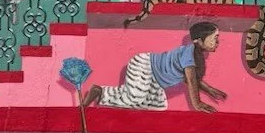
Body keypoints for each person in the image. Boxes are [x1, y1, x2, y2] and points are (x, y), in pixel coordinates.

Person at [83, 22, 226, 113]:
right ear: (199, 41)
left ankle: (104, 95)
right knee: (135, 98)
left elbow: (192, 78)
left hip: (156, 80)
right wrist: (197, 104)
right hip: (145, 66)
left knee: (158, 106)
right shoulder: (189, 54)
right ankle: (99, 91)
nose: (218, 42)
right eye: (215, 38)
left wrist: (209, 89)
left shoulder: (196, 55)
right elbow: (191, 80)